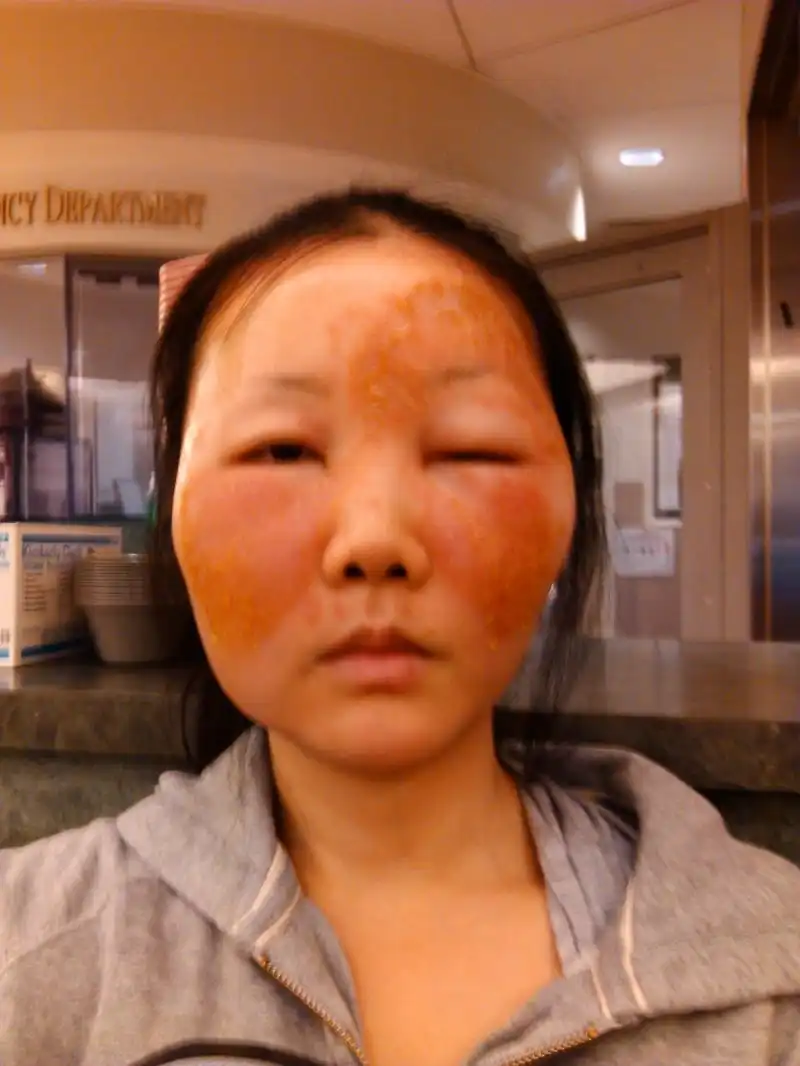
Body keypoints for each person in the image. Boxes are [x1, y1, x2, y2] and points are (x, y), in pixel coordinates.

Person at [1, 189, 799, 1066]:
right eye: (282, 450)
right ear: (176, 515)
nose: (375, 540)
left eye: (470, 449)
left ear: (567, 512)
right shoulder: (28, 952)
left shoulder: (773, 992)